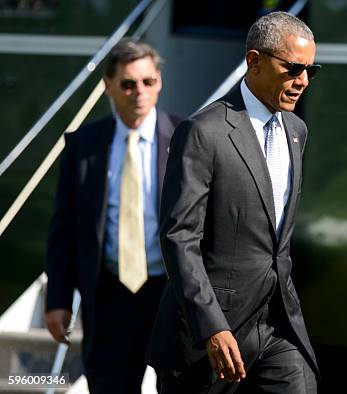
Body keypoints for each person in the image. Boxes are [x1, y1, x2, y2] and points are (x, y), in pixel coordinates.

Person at [146, 11, 321, 393]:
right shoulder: (202, 133)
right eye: (293, 68)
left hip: (278, 327)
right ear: (254, 61)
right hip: (209, 335)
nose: (303, 81)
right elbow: (179, 238)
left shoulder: (296, 131)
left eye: (311, 70)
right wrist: (211, 326)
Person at [45, 38, 181, 393]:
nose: (139, 91)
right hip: (108, 297)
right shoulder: (83, 145)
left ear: (160, 82)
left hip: (172, 293)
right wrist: (58, 299)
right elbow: (63, 229)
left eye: (148, 82)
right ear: (108, 86)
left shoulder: (187, 139)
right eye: (128, 83)